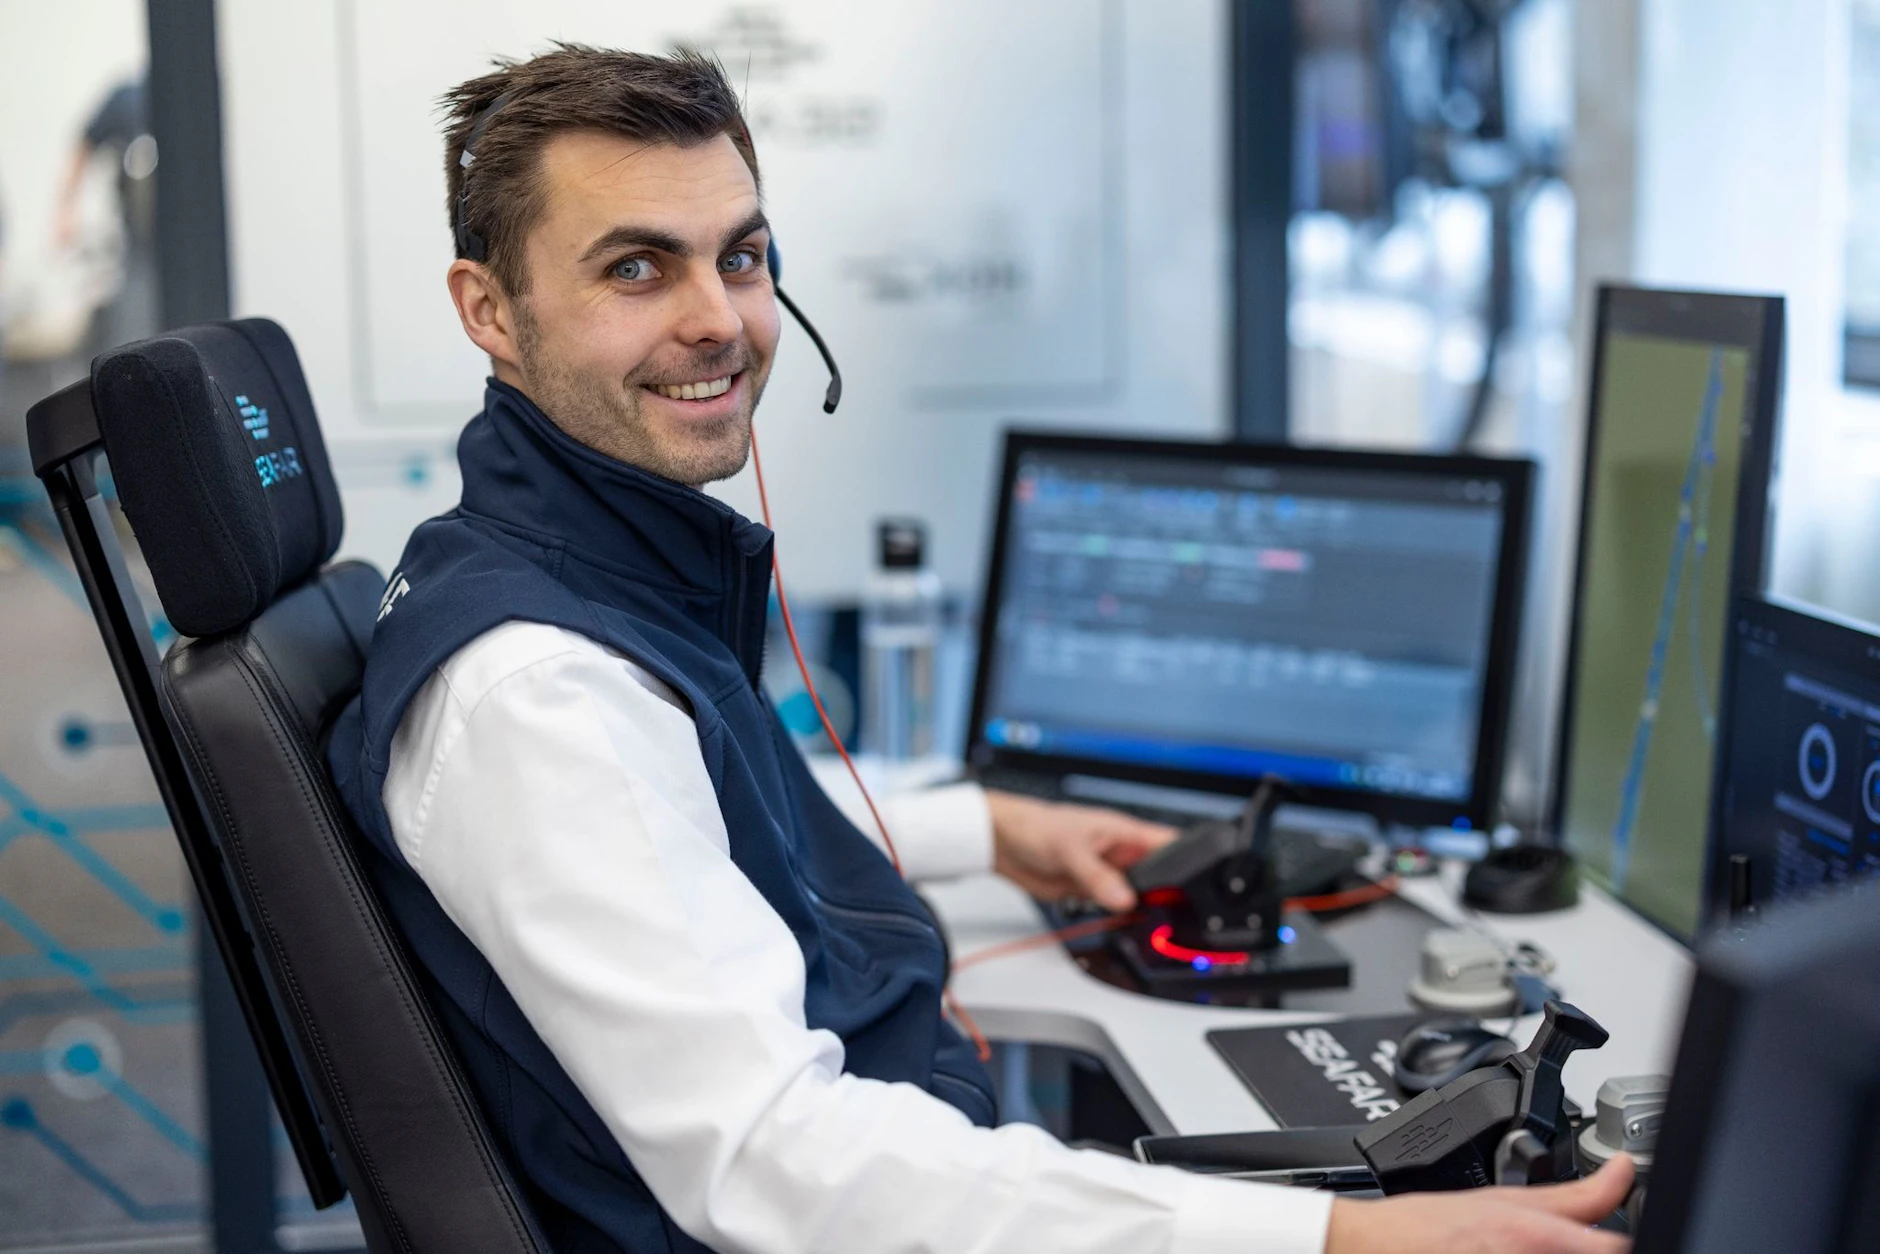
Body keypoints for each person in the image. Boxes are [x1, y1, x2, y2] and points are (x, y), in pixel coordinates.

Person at [327, 45, 1632, 1254]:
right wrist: (1331, 1239)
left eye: (742, 256)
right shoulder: (538, 687)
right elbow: (777, 1161)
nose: (718, 319)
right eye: (636, 268)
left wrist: (990, 828)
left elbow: (681, 821)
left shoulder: (550, 575)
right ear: (490, 311)